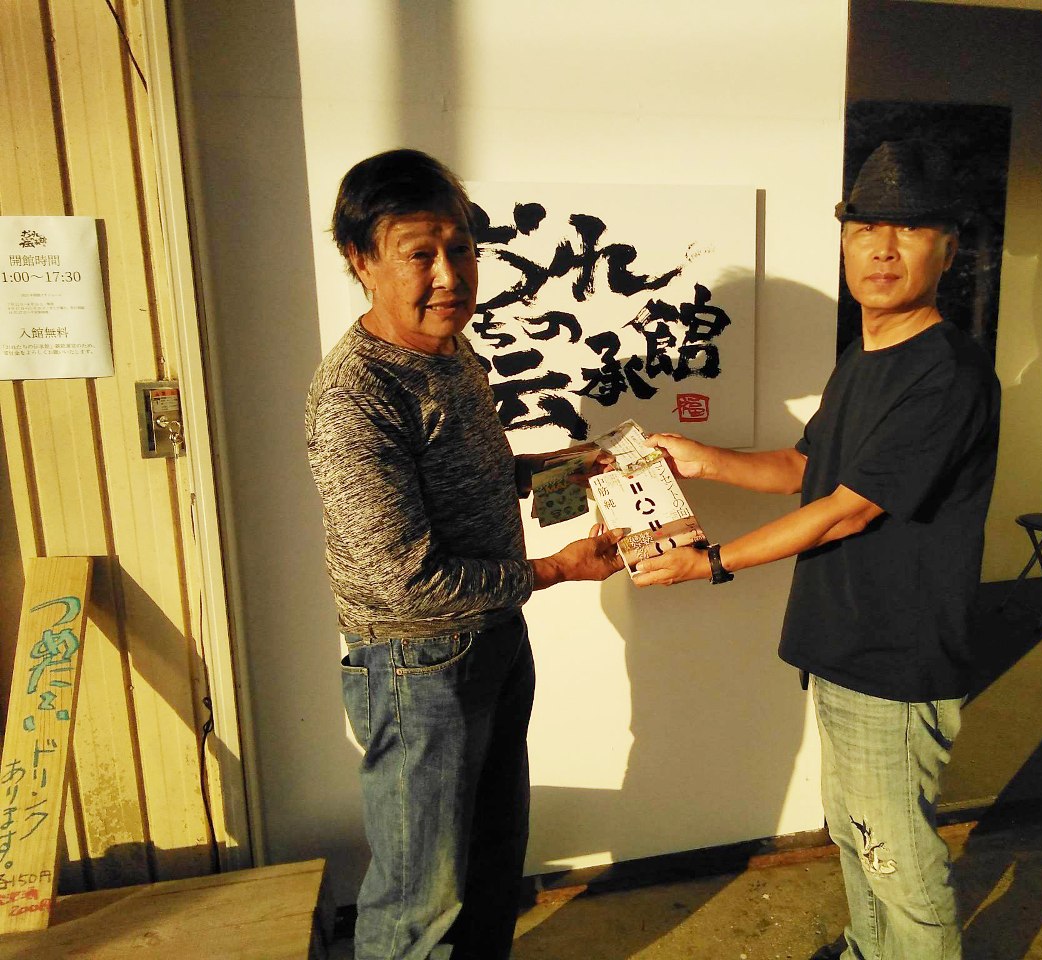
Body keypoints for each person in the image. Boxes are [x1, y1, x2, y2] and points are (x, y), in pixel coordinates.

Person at [631, 139, 1001, 960]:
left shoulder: (948, 372)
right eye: (865, 228)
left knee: (894, 853)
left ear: (947, 248)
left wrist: (711, 563)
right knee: (854, 831)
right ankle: (868, 950)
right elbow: (807, 468)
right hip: (841, 640)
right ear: (843, 243)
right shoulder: (863, 360)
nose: (882, 248)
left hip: (896, 655)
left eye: (909, 229)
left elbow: (845, 512)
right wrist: (703, 460)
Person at [305, 148, 623, 960]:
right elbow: (405, 579)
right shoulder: (356, 394)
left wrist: (568, 469)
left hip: (493, 638)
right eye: (420, 254)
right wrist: (555, 570)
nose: (450, 276)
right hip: (417, 670)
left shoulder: (452, 351)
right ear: (361, 260)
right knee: (420, 900)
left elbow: (476, 477)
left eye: (462, 249)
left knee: (489, 863)